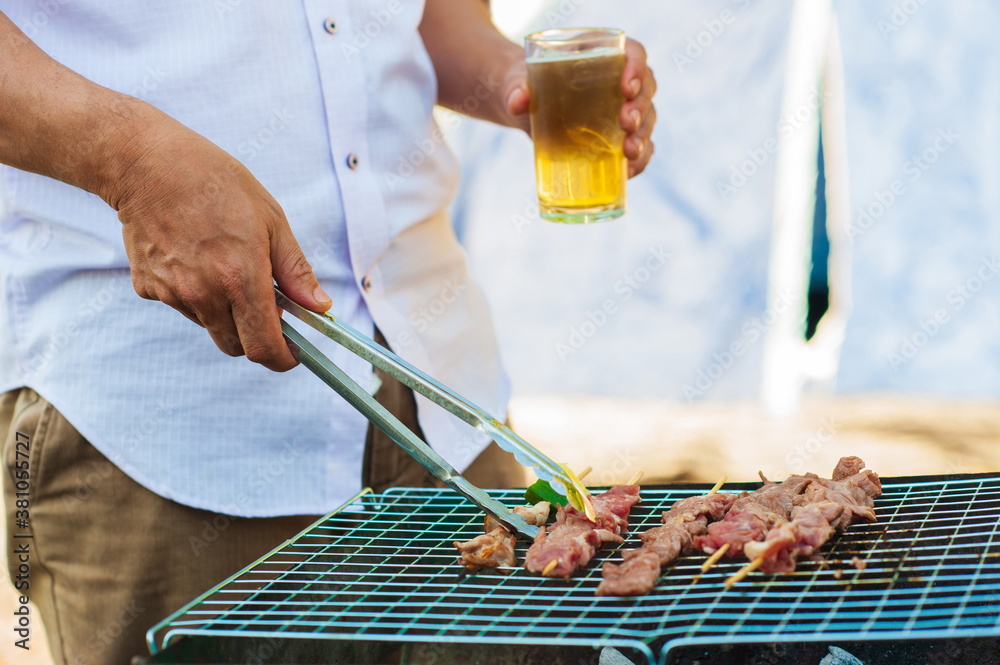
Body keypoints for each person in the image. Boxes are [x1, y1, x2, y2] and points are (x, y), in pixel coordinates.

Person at [0, 2, 656, 663]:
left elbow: (430, 16)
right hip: (169, 437)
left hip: (447, 395)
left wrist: (513, 75)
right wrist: (133, 163)